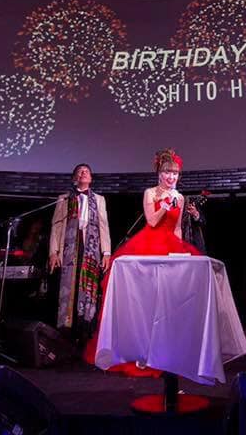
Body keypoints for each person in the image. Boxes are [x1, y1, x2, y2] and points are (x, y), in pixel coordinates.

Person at [83, 148, 202, 372]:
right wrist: (164, 205)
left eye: (175, 173)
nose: (171, 177)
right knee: (147, 299)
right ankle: (142, 350)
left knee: (170, 300)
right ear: (159, 173)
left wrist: (178, 250)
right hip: (149, 244)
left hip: (170, 246)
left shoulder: (180, 197)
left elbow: (177, 228)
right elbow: (152, 221)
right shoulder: (150, 193)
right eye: (167, 172)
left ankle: (167, 348)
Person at [48, 163, 111, 343]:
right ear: (74, 177)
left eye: (87, 171)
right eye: (80, 171)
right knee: (70, 285)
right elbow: (56, 225)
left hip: (91, 246)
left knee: (87, 285)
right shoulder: (64, 199)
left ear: (91, 178)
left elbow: (103, 226)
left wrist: (106, 252)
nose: (84, 173)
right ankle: (66, 329)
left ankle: (85, 329)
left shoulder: (99, 199)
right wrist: (53, 252)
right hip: (69, 246)